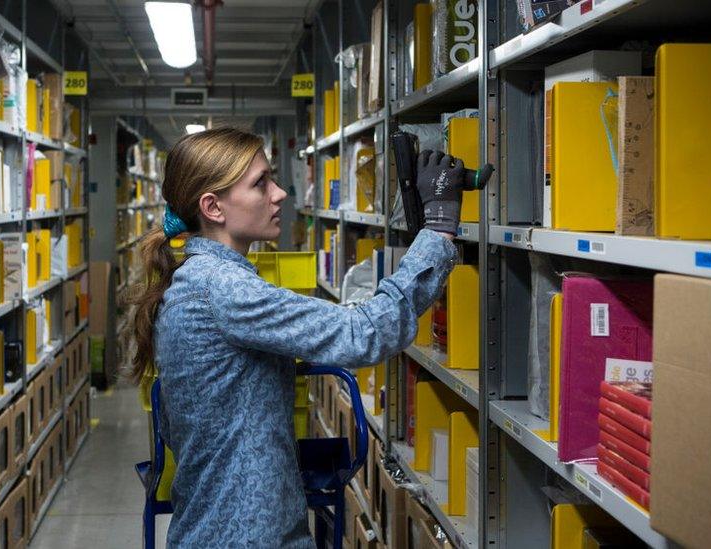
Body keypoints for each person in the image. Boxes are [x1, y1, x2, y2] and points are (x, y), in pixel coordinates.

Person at [129, 127, 466, 547]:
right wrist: (436, 233)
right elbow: (362, 334)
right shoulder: (225, 289)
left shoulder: (199, 279)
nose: (279, 194)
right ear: (213, 207)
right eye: (260, 184)